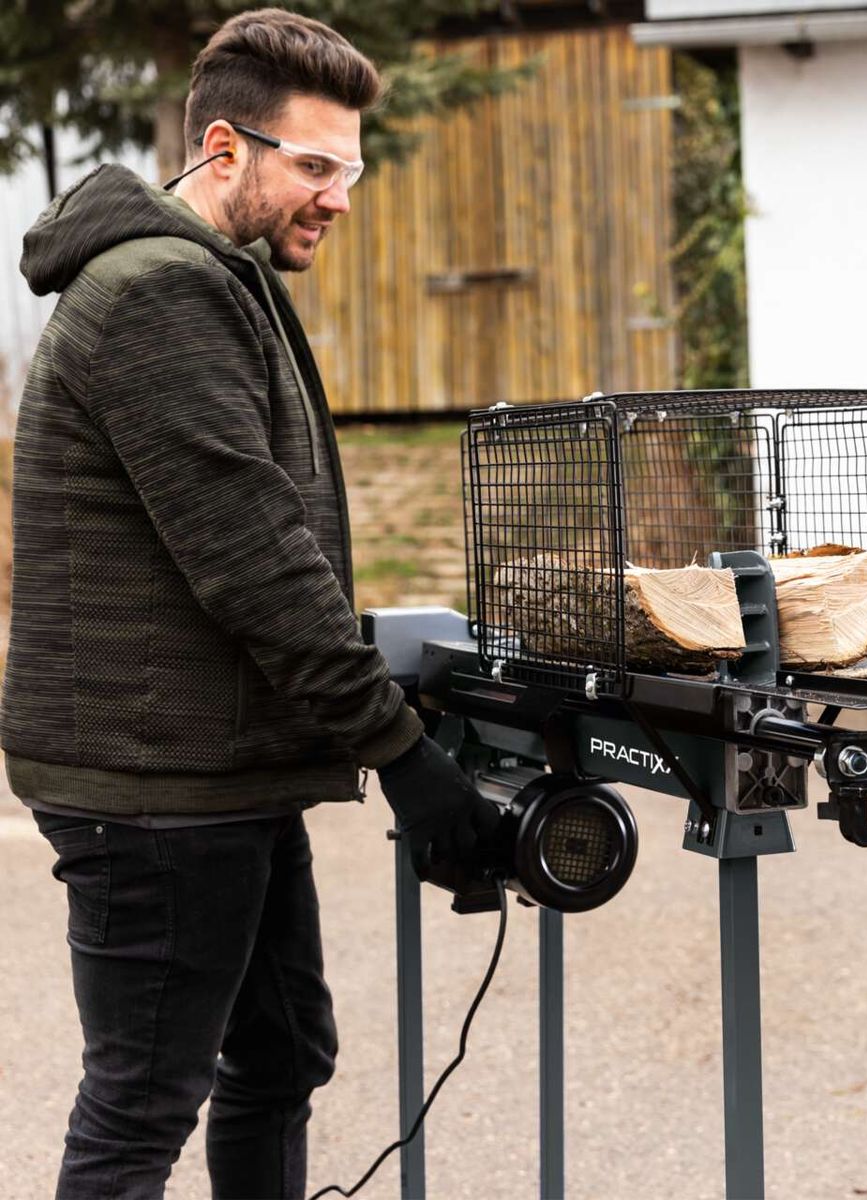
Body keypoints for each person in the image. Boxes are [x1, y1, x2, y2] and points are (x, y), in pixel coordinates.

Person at [1, 9, 498, 1198]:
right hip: (153, 782)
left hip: (220, 771)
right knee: (144, 1103)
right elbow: (258, 560)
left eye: (353, 170)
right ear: (227, 151)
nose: (340, 196)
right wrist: (407, 757)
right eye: (317, 167)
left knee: (280, 1054)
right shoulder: (159, 292)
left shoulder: (210, 274)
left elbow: (261, 541)